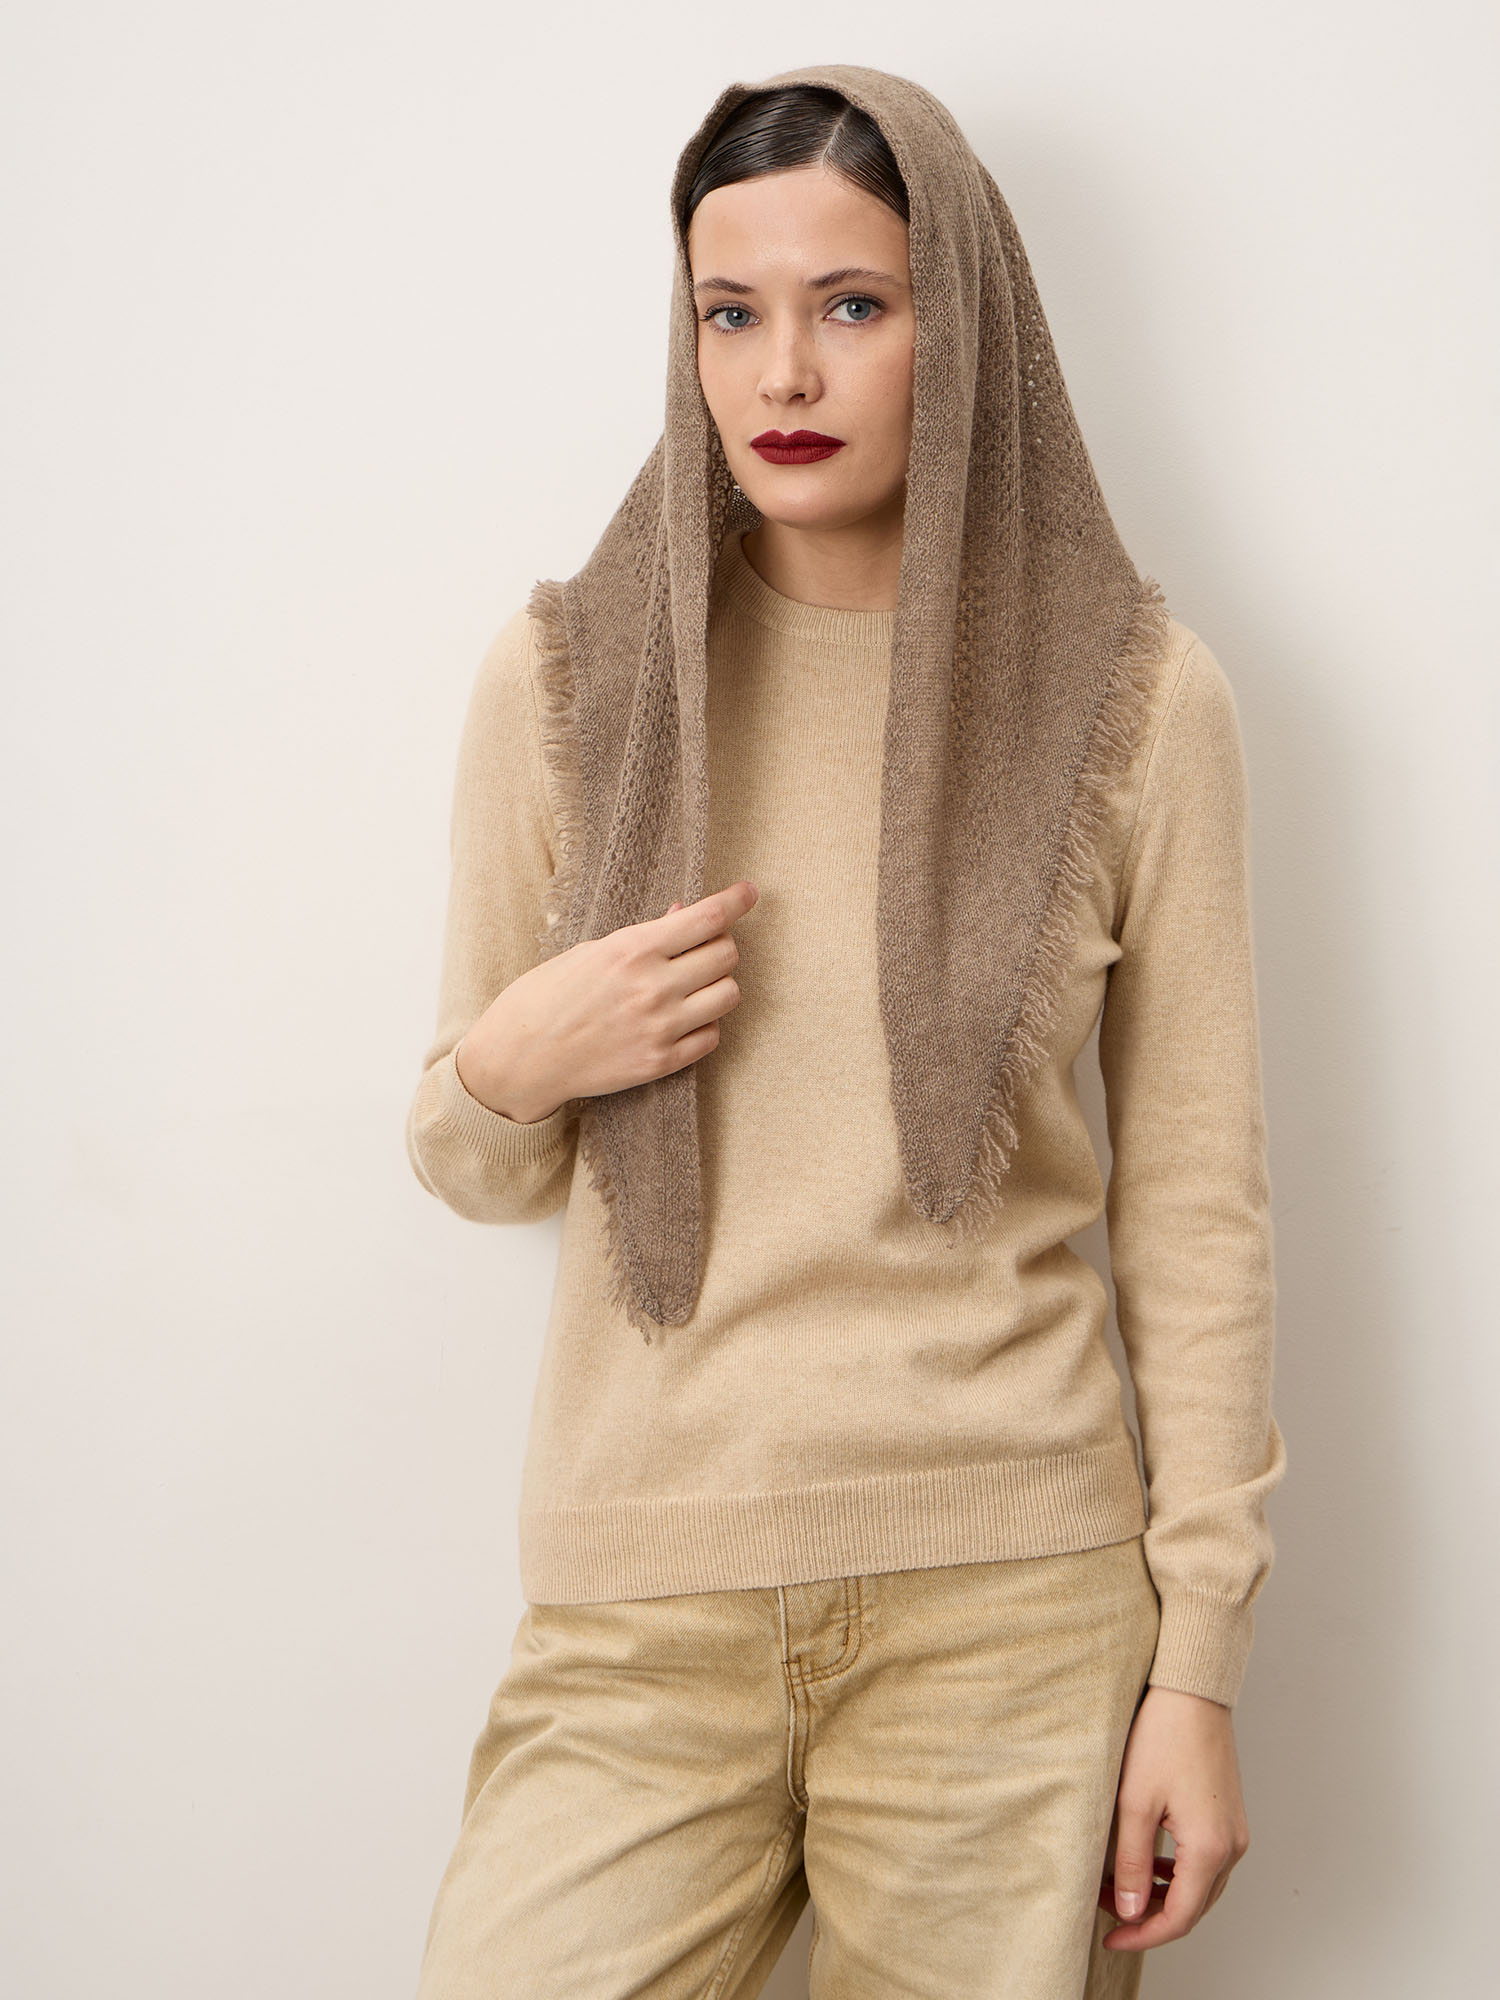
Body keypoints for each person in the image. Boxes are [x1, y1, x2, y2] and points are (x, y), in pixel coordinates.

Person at [404, 62, 1286, 2000]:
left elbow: (1196, 1216)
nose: (783, 372)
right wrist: (517, 1063)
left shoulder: (1136, 701)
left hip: (1014, 1611)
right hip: (641, 1605)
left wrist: (1198, 1669)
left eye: (853, 305)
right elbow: (474, 1160)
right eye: (731, 313)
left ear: (960, 320)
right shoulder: (567, 681)